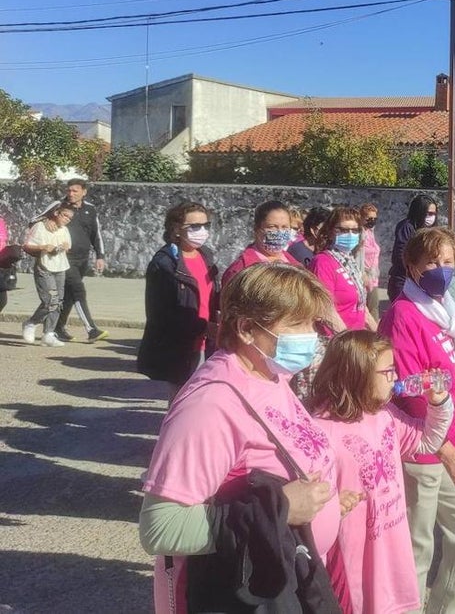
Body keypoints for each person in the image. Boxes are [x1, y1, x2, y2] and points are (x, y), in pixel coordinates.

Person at [138, 262, 346, 613]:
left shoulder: (270, 375)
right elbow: (160, 528)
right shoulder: (211, 404)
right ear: (248, 328)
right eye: (297, 323)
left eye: (313, 323)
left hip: (286, 575)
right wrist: (280, 510)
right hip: (242, 595)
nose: (312, 335)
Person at [380, 227, 455, 614]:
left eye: (448, 262)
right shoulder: (403, 316)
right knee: (416, 551)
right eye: (432, 262)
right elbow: (407, 394)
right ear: (411, 267)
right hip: (422, 453)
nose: (442, 270)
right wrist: (445, 451)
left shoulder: (446, 308)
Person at [308, 330, 454, 614]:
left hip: (390, 551)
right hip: (352, 563)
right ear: (358, 374)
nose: (395, 378)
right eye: (387, 371)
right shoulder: (320, 430)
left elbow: (426, 441)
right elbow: (311, 506)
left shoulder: (383, 414)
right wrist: (332, 506)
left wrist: (437, 403)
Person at [136, 202, 220, 401]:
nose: (201, 231)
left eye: (205, 225)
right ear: (176, 229)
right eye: (194, 226)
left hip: (207, 342)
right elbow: (161, 314)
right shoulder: (164, 264)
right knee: (182, 402)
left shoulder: (205, 255)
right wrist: (203, 327)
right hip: (182, 345)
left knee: (201, 400)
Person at [49, 179, 109, 342]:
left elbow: (96, 235)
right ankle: (91, 329)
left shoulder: (90, 209)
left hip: (82, 259)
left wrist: (100, 256)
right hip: (64, 258)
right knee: (78, 290)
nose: (71, 194)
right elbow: (34, 220)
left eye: (75, 191)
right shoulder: (57, 206)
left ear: (84, 191)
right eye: (69, 190)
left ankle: (57, 328)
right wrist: (48, 221)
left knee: (70, 294)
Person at [312, 206, 376, 332]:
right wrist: (346, 340)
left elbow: (362, 308)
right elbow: (325, 310)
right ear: (330, 231)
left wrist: (381, 337)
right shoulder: (323, 262)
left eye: (355, 230)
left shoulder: (349, 260)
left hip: (356, 337)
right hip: (336, 341)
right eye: (343, 230)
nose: (350, 234)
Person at [21, 203, 76, 347]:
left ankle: (49, 333)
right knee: (50, 300)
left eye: (70, 218)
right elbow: (27, 246)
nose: (67, 220)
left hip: (61, 267)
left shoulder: (64, 229)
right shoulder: (40, 226)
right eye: (65, 216)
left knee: (58, 301)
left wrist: (64, 247)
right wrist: (43, 247)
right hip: (44, 267)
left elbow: (67, 246)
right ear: (57, 213)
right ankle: (31, 323)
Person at [221, 200, 295, 287]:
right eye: (272, 227)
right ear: (257, 229)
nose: (279, 232)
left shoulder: (296, 266)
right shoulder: (240, 270)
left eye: (284, 227)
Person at [385, 194, 437, 301]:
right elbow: (400, 255)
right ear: (420, 212)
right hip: (404, 281)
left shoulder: (431, 231)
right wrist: (417, 268)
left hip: (422, 282)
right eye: (428, 213)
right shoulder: (407, 227)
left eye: (434, 214)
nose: (431, 217)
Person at [359, 203, 383, 318]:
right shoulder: (360, 234)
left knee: (373, 306)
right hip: (364, 275)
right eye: (369, 218)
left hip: (373, 276)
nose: (372, 221)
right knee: (371, 308)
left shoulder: (370, 232)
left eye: (374, 218)